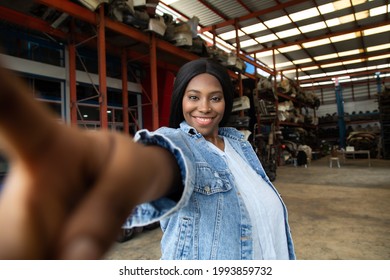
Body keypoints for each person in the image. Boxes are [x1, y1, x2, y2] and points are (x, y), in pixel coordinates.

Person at [0, 58, 295, 260]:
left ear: (225, 101)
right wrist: (117, 168)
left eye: (215, 97)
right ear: (180, 99)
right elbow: (158, 165)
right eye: (193, 97)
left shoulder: (239, 144)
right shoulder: (178, 141)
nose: (204, 107)